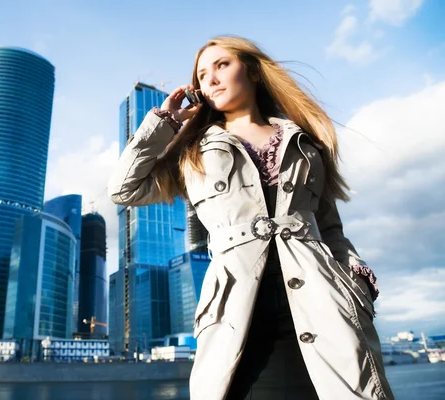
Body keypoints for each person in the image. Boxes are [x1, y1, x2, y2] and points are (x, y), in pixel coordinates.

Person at [108, 35, 394, 400]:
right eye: (202, 74)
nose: (210, 79)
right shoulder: (192, 152)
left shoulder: (305, 143)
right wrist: (165, 122)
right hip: (236, 317)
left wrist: (354, 274)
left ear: (254, 71)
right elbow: (123, 189)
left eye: (222, 65)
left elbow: (329, 226)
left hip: (323, 307)